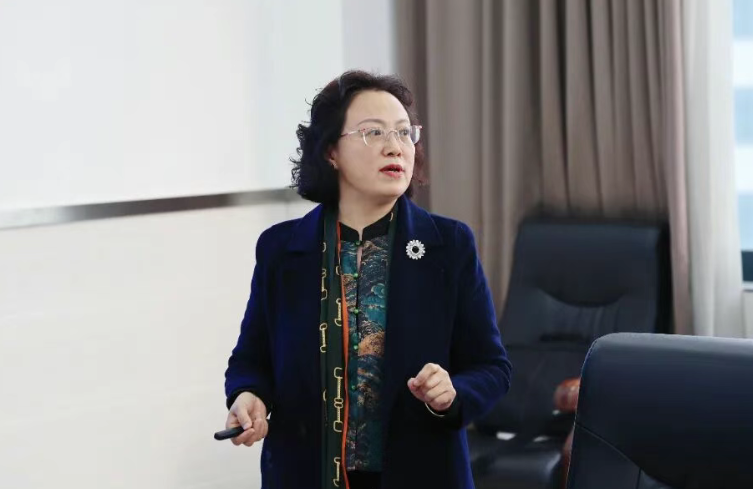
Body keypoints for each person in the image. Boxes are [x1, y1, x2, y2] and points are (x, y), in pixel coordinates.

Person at [223, 70, 511, 489]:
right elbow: (252, 359)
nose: (395, 146)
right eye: (373, 132)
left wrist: (453, 393)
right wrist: (248, 396)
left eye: (404, 133)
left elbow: (492, 367)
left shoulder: (448, 246)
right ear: (331, 151)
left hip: (421, 475)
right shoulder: (282, 250)